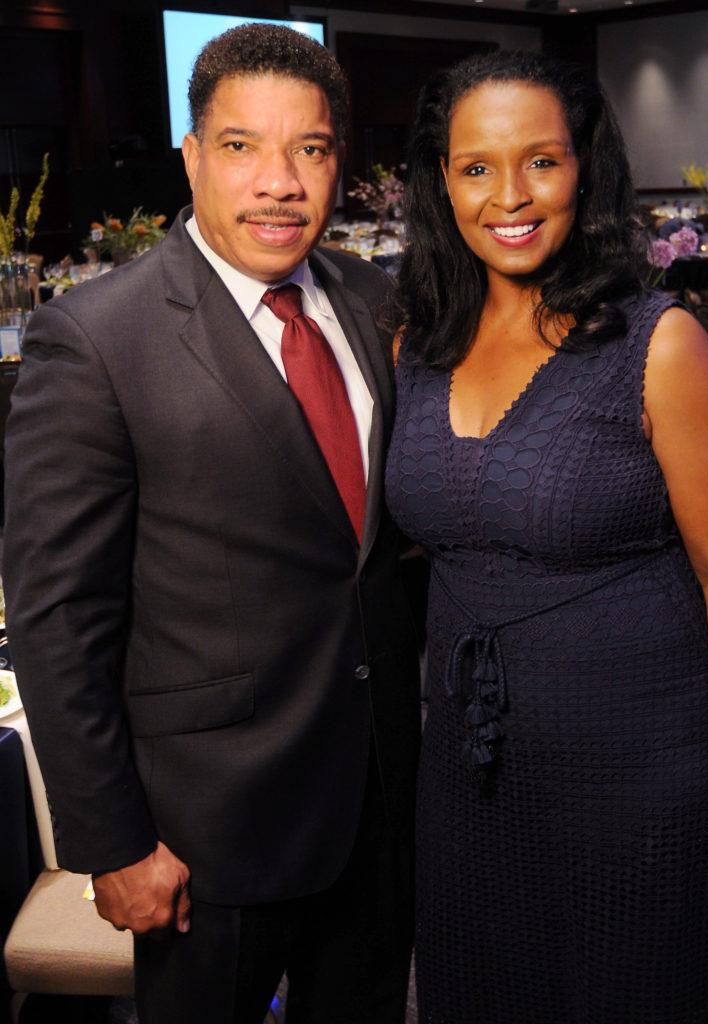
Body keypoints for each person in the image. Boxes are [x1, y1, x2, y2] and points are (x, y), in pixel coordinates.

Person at [3, 24, 421, 1024]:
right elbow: (59, 615)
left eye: (309, 150)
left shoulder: (375, 300)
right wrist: (110, 842)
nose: (279, 181)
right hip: (203, 833)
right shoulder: (98, 337)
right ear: (193, 157)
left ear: (336, 161)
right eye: (242, 146)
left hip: (381, 800)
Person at [385, 48, 708, 1023]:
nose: (510, 194)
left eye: (540, 160)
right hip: (470, 781)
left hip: (641, 783)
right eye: (476, 166)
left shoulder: (659, 345)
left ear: (582, 168)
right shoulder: (413, 345)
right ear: (440, 182)